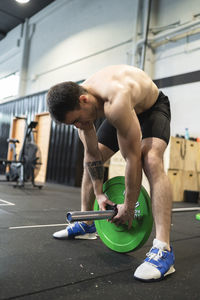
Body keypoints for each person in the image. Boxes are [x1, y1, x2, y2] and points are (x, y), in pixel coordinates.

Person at [46, 64, 175, 282]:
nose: (79, 125)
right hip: (123, 111)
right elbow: (92, 155)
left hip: (152, 108)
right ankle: (86, 224)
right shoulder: (84, 109)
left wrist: (128, 206)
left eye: (77, 120)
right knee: (92, 160)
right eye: (73, 124)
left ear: (83, 100)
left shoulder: (116, 101)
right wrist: (99, 194)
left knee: (150, 159)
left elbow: (132, 158)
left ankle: (164, 249)